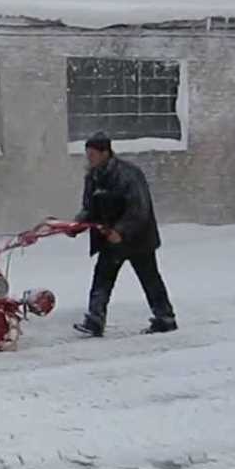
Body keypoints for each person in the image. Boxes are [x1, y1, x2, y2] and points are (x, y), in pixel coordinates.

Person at [70, 131, 178, 336]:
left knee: (149, 279)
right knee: (102, 278)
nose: (89, 158)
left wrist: (121, 231)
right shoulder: (92, 176)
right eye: (88, 154)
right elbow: (89, 208)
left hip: (138, 239)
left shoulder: (129, 174)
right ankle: (95, 320)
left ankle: (165, 318)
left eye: (92, 154)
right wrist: (77, 224)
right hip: (109, 239)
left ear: (105, 153)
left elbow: (139, 209)